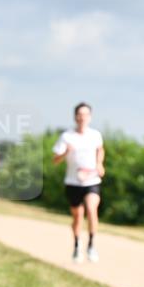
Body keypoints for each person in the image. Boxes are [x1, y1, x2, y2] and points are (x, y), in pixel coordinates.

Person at [52, 102, 105, 263]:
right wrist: (66, 152)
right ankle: (76, 245)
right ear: (75, 117)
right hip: (73, 182)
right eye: (80, 114)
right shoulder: (67, 136)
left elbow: (100, 150)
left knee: (91, 209)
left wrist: (99, 163)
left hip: (92, 180)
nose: (82, 117)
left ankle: (91, 245)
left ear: (90, 117)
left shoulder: (95, 135)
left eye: (86, 114)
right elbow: (55, 160)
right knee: (78, 217)